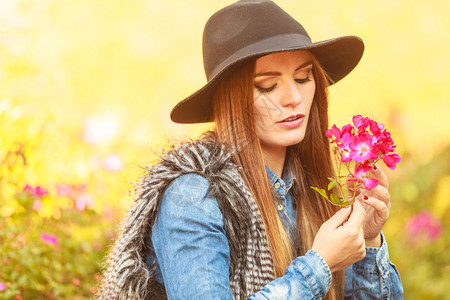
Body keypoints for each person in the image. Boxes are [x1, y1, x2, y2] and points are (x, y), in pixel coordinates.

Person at [98, 1, 403, 299]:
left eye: (303, 77)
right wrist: (318, 265)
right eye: (269, 86)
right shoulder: (194, 195)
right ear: (233, 100)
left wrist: (367, 239)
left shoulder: (314, 188)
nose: (293, 97)